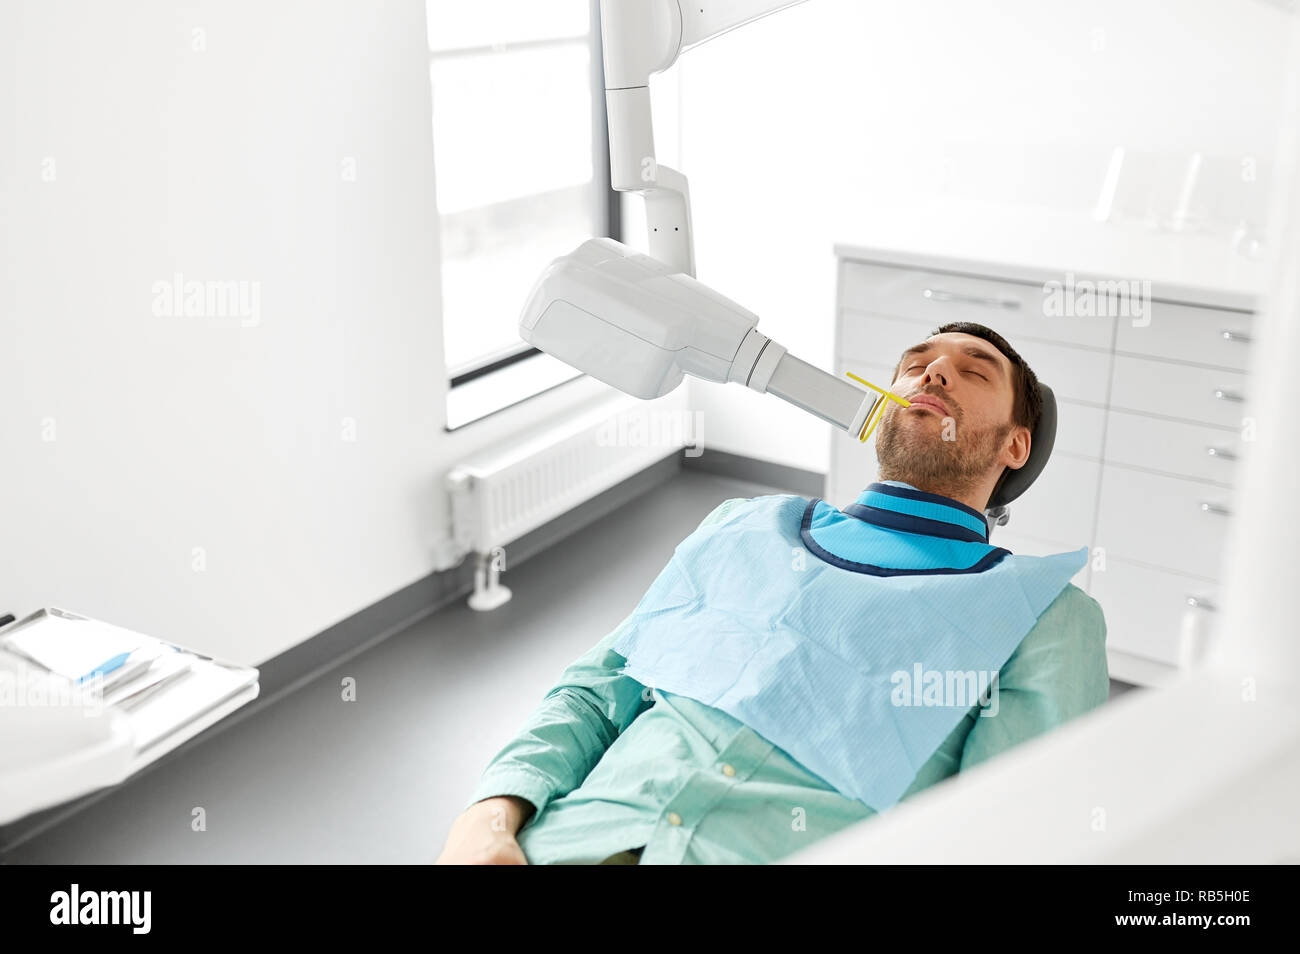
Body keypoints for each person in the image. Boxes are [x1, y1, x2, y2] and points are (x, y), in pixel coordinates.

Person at [435, 320, 1108, 865]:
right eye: (917, 361)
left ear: (1016, 445)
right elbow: (597, 692)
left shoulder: (1042, 615)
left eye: (974, 370)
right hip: (562, 846)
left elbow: (1007, 838)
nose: (932, 372)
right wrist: (485, 819)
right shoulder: (745, 526)